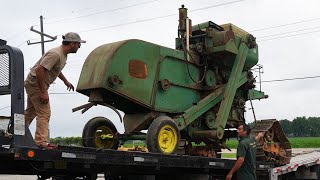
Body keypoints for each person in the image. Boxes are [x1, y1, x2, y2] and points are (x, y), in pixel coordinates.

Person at [24, 32, 86, 148]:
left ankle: (15, 133)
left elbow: (54, 68)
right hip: (36, 84)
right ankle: (41, 142)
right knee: (44, 113)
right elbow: (39, 70)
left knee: (30, 112)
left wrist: (65, 81)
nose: (79, 46)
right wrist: (43, 92)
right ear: (72, 43)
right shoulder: (56, 54)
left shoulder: (63, 54)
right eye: (78, 44)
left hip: (35, 83)